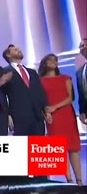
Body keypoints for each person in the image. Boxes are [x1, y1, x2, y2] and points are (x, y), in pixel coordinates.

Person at [38, 54, 82, 185]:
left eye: (55, 60)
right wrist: (47, 112)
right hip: (52, 118)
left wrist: (54, 107)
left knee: (73, 147)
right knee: (59, 148)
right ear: (45, 63)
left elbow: (70, 98)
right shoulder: (40, 81)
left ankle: (79, 181)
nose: (53, 62)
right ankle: (69, 181)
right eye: (50, 60)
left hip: (66, 114)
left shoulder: (65, 78)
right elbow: (41, 100)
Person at [1, 44, 49, 136]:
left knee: (37, 147)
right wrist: (7, 115)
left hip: (37, 116)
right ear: (8, 55)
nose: (18, 50)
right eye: (15, 50)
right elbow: (2, 96)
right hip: (19, 117)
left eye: (18, 49)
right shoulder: (4, 72)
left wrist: (46, 109)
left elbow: (40, 92)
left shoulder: (32, 72)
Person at [76, 38, 87, 125]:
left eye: (83, 45)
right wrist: (82, 111)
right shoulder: (79, 71)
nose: (81, 48)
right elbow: (81, 94)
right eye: (80, 47)